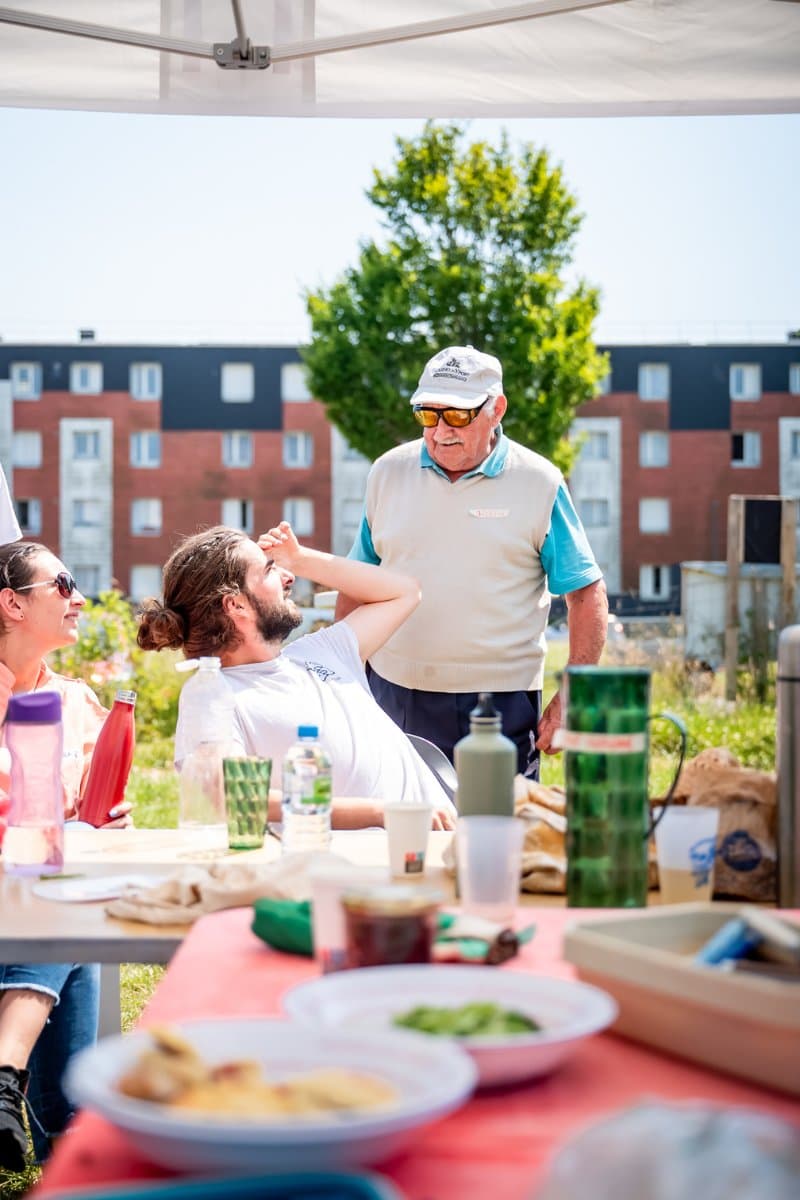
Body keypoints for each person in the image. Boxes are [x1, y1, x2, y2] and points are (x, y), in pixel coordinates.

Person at [336, 344, 609, 777]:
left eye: (458, 415)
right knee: (398, 832)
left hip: (501, 701)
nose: (440, 429)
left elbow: (586, 593)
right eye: (428, 413)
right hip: (393, 690)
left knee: (497, 833)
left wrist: (574, 695)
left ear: (496, 409)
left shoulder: (539, 482)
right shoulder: (386, 473)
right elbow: (358, 581)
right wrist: (342, 678)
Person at [136, 523, 456, 828]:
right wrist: (383, 813)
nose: (289, 577)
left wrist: (302, 559)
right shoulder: (212, 694)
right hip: (369, 869)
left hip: (447, 847)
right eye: (271, 569)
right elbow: (227, 795)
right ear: (237, 605)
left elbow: (405, 592)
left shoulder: (321, 651)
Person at [0, 541, 133, 1170]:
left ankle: (10, 1082)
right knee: (66, 907)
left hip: (45, 893)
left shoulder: (76, 702)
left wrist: (103, 814)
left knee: (64, 886)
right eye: (63, 584)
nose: (78, 598)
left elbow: (86, 810)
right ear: (12, 604)